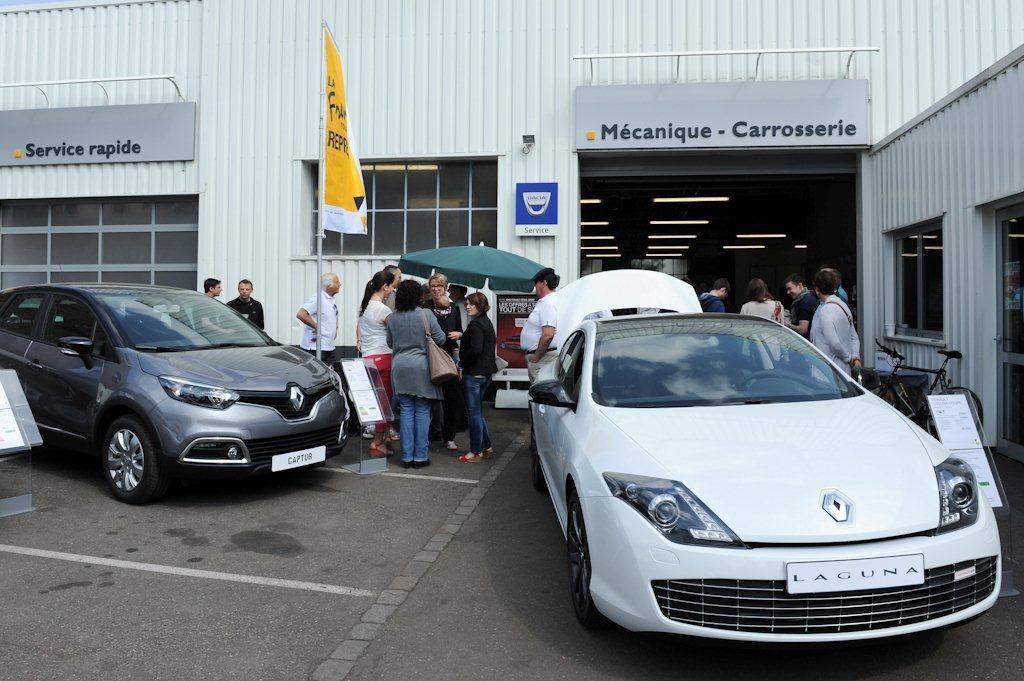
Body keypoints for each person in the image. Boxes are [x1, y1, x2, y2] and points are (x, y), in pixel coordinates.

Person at [387, 279, 446, 468]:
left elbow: (390, 343)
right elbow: (441, 338)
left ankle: (406, 457)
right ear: (419, 296)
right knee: (421, 410)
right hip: (421, 367)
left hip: (399, 367)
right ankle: (420, 456)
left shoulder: (393, 317)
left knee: (405, 410)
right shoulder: (425, 314)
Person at [357, 270, 398, 456]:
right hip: (383, 358)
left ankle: (385, 437)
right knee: (385, 403)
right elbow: (396, 331)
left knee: (378, 401)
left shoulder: (365, 307)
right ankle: (377, 441)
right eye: (392, 287)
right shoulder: (383, 309)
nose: (392, 291)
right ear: (384, 286)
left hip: (368, 358)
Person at [424, 273, 465, 451]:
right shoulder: (425, 307)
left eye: (439, 286)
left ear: (446, 287)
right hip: (430, 356)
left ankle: (449, 436)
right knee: (428, 398)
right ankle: (430, 433)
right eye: (432, 286)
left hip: (449, 356)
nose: (435, 289)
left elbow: (460, 330)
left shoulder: (454, 308)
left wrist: (459, 334)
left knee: (451, 398)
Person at [457, 292, 497, 462]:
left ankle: (476, 451)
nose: (467, 307)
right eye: (466, 304)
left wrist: (461, 363)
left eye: (471, 304)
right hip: (486, 373)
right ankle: (486, 446)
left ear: (480, 305)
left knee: (473, 413)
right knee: (477, 412)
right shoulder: (486, 322)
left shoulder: (476, 325)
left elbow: (476, 349)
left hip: (474, 373)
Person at [810, 268, 861, 375]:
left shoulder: (825, 310)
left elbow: (835, 344)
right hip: (843, 371)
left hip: (828, 372)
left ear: (817, 289)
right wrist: (855, 357)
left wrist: (849, 359)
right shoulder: (842, 305)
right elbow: (854, 337)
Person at [521, 267, 560, 383]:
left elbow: (548, 334)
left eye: (536, 283)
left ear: (544, 283)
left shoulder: (548, 302)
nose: (535, 288)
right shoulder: (552, 300)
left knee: (541, 395)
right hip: (543, 357)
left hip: (543, 358)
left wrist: (536, 357)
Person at [296, 273, 341, 364]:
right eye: (337, 282)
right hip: (315, 348)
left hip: (328, 346)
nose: (340, 284)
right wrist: (317, 327)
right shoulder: (318, 298)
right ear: (329, 285)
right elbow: (301, 314)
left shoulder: (330, 299)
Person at [784, 273, 819, 337]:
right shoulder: (809, 297)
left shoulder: (805, 302)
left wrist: (785, 324)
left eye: (790, 288)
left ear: (800, 285)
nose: (788, 292)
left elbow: (803, 330)